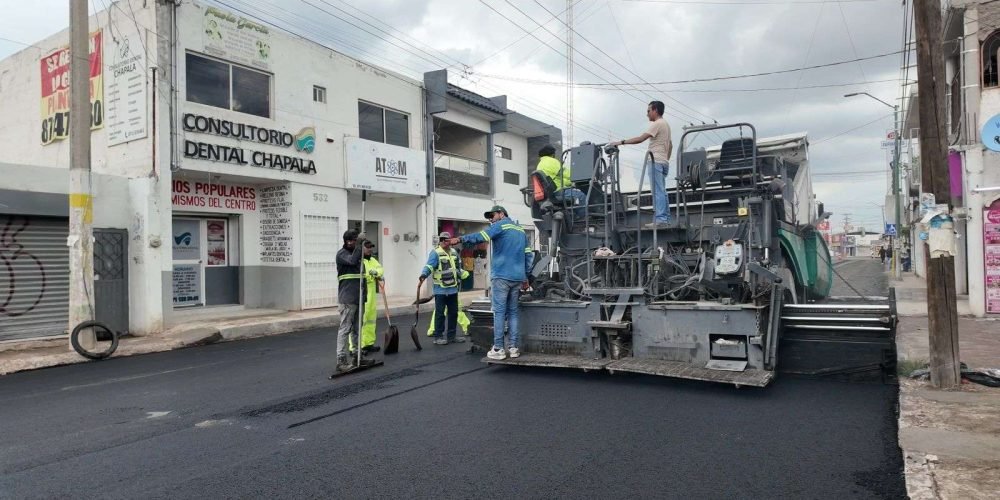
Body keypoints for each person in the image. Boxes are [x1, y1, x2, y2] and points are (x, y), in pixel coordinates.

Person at [449, 206, 533, 360]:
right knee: (513, 312)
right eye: (489, 217)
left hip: (501, 276)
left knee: (500, 312)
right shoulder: (521, 231)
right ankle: (513, 348)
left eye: (492, 216)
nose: (491, 219)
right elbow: (528, 255)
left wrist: (460, 239)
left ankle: (499, 348)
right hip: (517, 277)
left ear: (501, 214)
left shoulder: (500, 226)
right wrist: (525, 276)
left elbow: (481, 236)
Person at [611, 100, 673, 228]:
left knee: (657, 191)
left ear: (655, 110)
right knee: (662, 191)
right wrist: (666, 159)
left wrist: (620, 142)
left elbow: (641, 138)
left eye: (648, 111)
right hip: (663, 161)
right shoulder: (666, 125)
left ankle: (660, 219)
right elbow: (670, 145)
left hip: (655, 161)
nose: (647, 114)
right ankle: (665, 218)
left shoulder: (657, 123)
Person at [419, 232, 470, 345]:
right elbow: (429, 266)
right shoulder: (435, 253)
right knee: (440, 314)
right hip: (440, 290)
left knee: (453, 313)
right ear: (441, 241)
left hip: (453, 289)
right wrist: (424, 275)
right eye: (446, 240)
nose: (448, 242)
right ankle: (438, 337)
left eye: (449, 240)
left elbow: (457, 268)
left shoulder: (454, 252)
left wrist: (463, 274)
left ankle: (451, 336)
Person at [336, 230, 374, 372]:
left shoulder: (359, 257)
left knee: (357, 328)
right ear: (346, 241)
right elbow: (351, 260)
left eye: (355, 240)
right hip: (347, 299)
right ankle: (341, 360)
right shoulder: (342, 254)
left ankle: (357, 357)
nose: (353, 243)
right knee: (345, 328)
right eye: (351, 240)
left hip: (358, 298)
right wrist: (359, 244)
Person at [535, 145, 586, 220]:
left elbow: (557, 179)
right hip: (558, 191)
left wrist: (569, 183)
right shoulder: (552, 161)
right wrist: (578, 177)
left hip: (550, 193)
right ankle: (583, 219)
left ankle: (571, 217)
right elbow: (566, 174)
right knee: (581, 196)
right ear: (552, 154)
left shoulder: (540, 165)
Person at [357, 241, 383, 354]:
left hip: (371, 293)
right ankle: (357, 346)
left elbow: (380, 270)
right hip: (362, 291)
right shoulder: (358, 261)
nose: (370, 249)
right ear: (361, 248)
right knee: (360, 320)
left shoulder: (373, 260)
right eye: (367, 247)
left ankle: (368, 343)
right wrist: (370, 274)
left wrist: (376, 272)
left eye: (371, 247)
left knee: (371, 319)